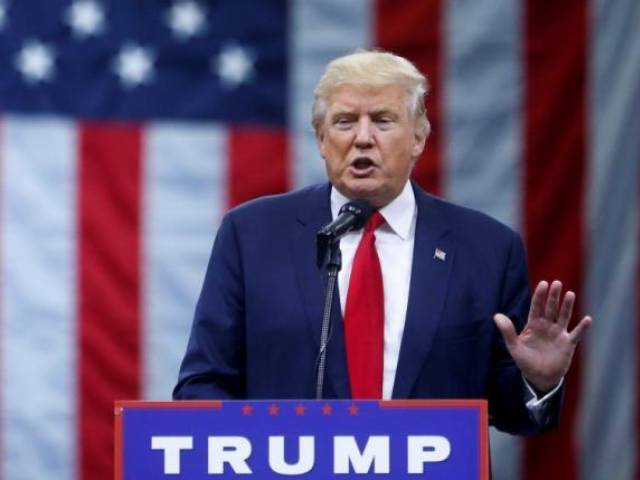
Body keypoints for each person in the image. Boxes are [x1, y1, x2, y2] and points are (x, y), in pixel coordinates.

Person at [173, 50, 592, 435]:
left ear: (418, 139)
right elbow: (202, 386)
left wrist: (538, 381)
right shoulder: (252, 235)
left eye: (383, 120)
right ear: (321, 140)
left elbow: (509, 411)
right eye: (344, 121)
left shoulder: (487, 249)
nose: (363, 138)